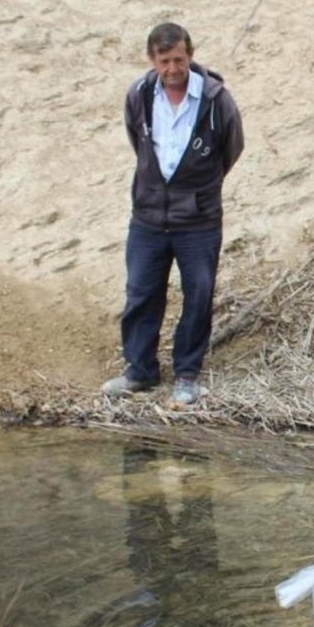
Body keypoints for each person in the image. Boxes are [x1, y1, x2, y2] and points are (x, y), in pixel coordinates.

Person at [102, 23, 245, 405]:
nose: (172, 68)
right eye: (164, 61)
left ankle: (186, 374)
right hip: (147, 217)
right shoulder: (139, 94)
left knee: (197, 294)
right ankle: (139, 370)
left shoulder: (217, 100)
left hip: (198, 221)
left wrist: (197, 187)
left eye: (178, 59)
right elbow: (139, 142)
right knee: (140, 293)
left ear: (190, 55)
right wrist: (156, 188)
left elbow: (232, 148)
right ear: (153, 60)